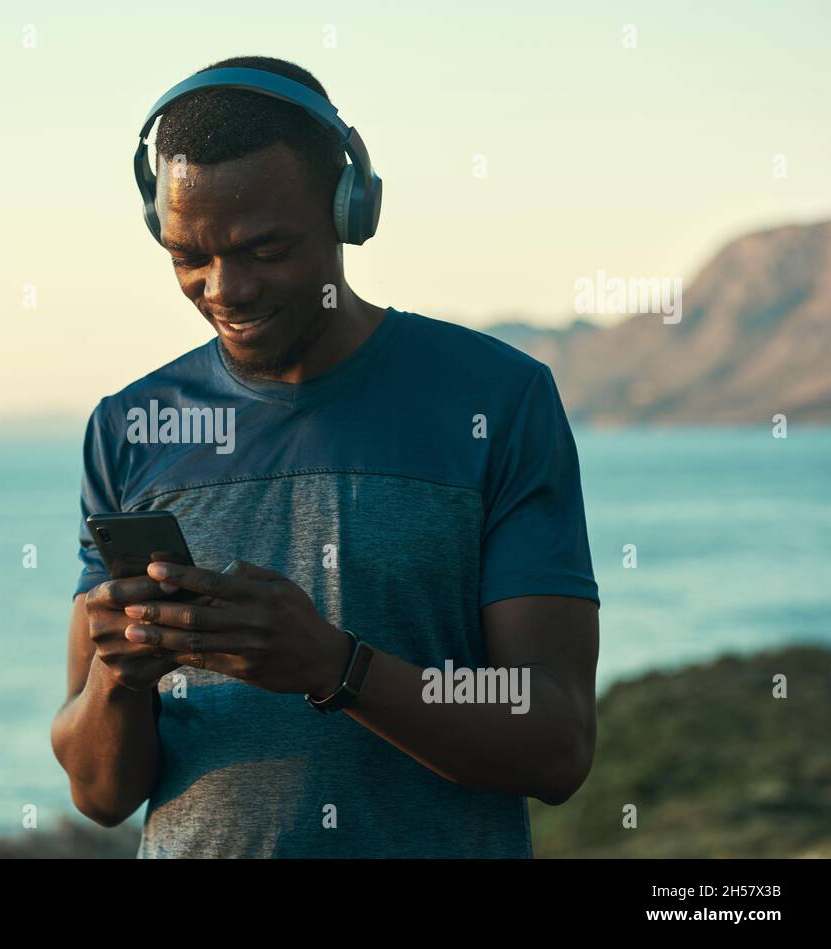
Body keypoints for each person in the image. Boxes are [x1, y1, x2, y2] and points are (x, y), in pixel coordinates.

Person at [50, 55, 600, 858]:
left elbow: (555, 739)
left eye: (265, 250)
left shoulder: (498, 401)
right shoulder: (130, 427)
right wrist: (118, 680)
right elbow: (99, 795)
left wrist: (335, 667)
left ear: (349, 208)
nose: (224, 288)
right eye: (187, 256)